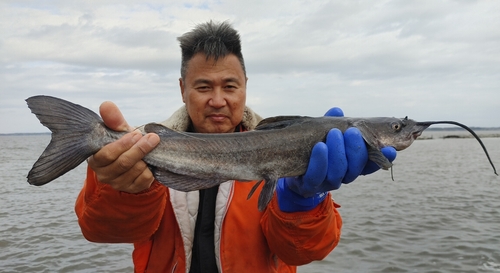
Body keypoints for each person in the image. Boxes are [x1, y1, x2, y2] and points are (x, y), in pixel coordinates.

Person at [75, 21, 396, 273]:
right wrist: (125, 188)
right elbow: (101, 232)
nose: (218, 100)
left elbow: (305, 252)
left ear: (245, 86)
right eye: (203, 87)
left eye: (229, 86)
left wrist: (305, 201)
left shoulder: (290, 148)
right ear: (182, 89)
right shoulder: (140, 151)